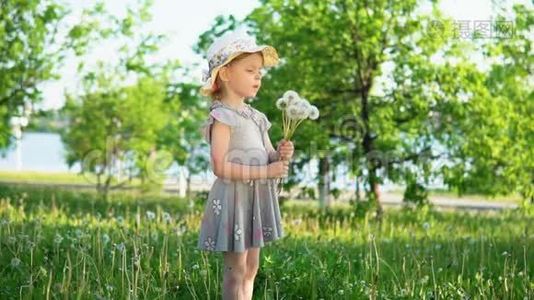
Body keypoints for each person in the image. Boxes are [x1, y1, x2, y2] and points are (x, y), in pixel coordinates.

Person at [197, 29, 294, 300]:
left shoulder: (257, 117)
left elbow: (269, 155)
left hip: (255, 199)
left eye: (259, 71)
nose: (258, 76)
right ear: (225, 74)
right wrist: (266, 171)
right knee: (236, 268)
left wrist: (282, 155)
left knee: (252, 267)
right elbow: (220, 166)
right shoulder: (222, 116)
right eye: (250, 70)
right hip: (235, 200)